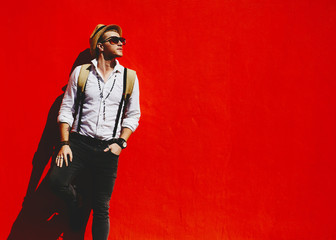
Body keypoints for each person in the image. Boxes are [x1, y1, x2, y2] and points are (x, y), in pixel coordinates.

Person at [49, 24, 140, 240]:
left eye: (122, 40)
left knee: (101, 207)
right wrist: (64, 143)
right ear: (100, 46)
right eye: (115, 40)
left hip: (108, 149)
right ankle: (76, 202)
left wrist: (121, 143)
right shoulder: (81, 73)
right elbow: (67, 109)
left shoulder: (129, 77)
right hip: (79, 144)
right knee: (56, 182)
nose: (121, 43)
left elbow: (133, 114)